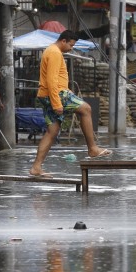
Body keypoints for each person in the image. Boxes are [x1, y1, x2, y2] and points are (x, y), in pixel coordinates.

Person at [29, 30, 111, 177]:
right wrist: (56, 103)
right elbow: (51, 81)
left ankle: (36, 167)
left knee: (52, 131)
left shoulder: (51, 50)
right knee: (86, 109)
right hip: (55, 94)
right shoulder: (54, 52)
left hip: (46, 94)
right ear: (64, 41)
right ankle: (92, 148)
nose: (71, 48)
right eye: (71, 45)